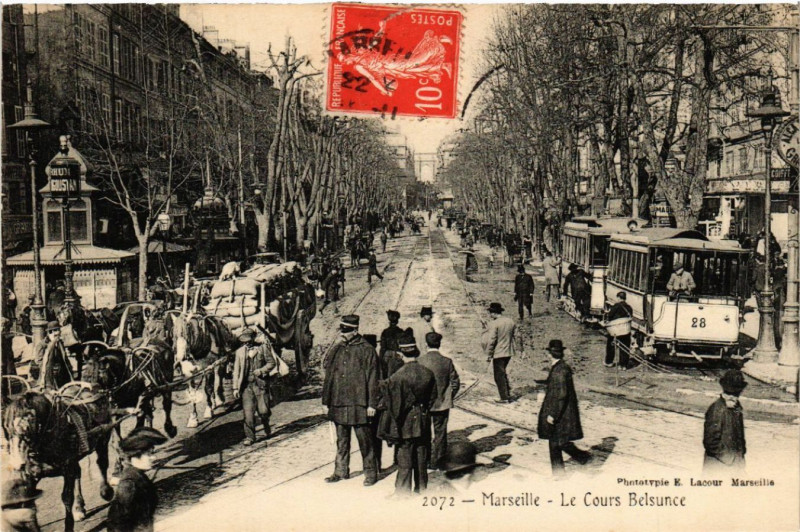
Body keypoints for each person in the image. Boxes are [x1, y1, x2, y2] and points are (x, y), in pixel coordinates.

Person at [322, 315, 379, 486]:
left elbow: (373, 378)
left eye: (346, 331)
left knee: (365, 441)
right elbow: (329, 376)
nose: (342, 334)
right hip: (339, 402)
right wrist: (326, 401)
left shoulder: (367, 349)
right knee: (342, 440)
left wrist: (371, 404)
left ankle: (370, 473)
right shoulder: (338, 349)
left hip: (359, 403)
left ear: (355, 331)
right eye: (342, 330)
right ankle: (340, 471)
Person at [377, 330, 436, 495]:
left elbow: (393, 403)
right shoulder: (427, 373)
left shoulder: (398, 376)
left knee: (404, 457)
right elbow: (433, 397)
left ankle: (402, 493)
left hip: (406, 422)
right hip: (423, 419)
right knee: (421, 454)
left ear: (402, 354)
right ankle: (422, 488)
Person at [537, 340, 591, 476]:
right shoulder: (561, 367)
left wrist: (553, 414)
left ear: (550, 354)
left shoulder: (559, 371)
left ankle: (560, 473)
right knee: (558, 441)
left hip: (561, 413)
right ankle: (580, 458)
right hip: (564, 411)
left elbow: (561, 394)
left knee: (556, 442)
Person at [107, 427, 168, 532]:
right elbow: (118, 523)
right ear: (135, 456)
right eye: (149, 454)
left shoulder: (138, 477)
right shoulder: (129, 484)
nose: (154, 458)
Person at [418, 332, 460, 470]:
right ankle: (439, 462)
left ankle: (426, 461)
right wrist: (449, 396)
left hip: (424, 405)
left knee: (424, 433)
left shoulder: (420, 361)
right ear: (439, 344)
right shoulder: (447, 362)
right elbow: (455, 383)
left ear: (426, 344)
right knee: (440, 434)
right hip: (442, 404)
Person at [232, 328, 276, 446]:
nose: (246, 343)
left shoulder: (262, 348)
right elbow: (236, 371)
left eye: (248, 340)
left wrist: (261, 371)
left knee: (263, 411)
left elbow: (272, 363)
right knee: (248, 414)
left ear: (253, 338)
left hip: (260, 385)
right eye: (244, 341)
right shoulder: (239, 352)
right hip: (247, 387)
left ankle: (266, 423)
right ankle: (250, 437)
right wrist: (235, 388)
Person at [703, 369, 747, 473]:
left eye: (736, 394)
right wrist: (730, 459)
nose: (733, 397)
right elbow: (710, 442)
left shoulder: (737, 408)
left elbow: (740, 437)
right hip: (718, 466)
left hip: (735, 465)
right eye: (729, 393)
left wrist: (741, 456)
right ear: (724, 391)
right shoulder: (716, 410)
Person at [483, 302, 516, 403]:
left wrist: (489, 355)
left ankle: (504, 398)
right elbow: (517, 336)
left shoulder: (494, 324)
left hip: (498, 353)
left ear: (493, 313)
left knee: (498, 376)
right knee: (503, 372)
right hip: (509, 352)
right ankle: (507, 393)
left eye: (490, 313)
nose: (490, 315)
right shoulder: (510, 321)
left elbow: (492, 340)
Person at [31, 321, 71, 389]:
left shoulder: (59, 343)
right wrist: (50, 366)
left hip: (61, 373)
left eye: (58, 331)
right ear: (50, 333)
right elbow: (38, 361)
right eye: (55, 333)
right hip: (50, 375)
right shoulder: (42, 345)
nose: (57, 335)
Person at [604, 292, 632, 369]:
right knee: (625, 347)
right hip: (625, 329)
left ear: (619, 297)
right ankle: (623, 365)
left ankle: (609, 362)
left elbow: (609, 316)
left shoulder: (616, 306)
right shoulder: (629, 307)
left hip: (615, 330)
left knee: (611, 346)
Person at [379, 310, 405, 377]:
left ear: (389, 321)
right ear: (397, 321)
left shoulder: (385, 332)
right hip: (398, 355)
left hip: (387, 356)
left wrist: (380, 359)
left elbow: (383, 347)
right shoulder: (401, 331)